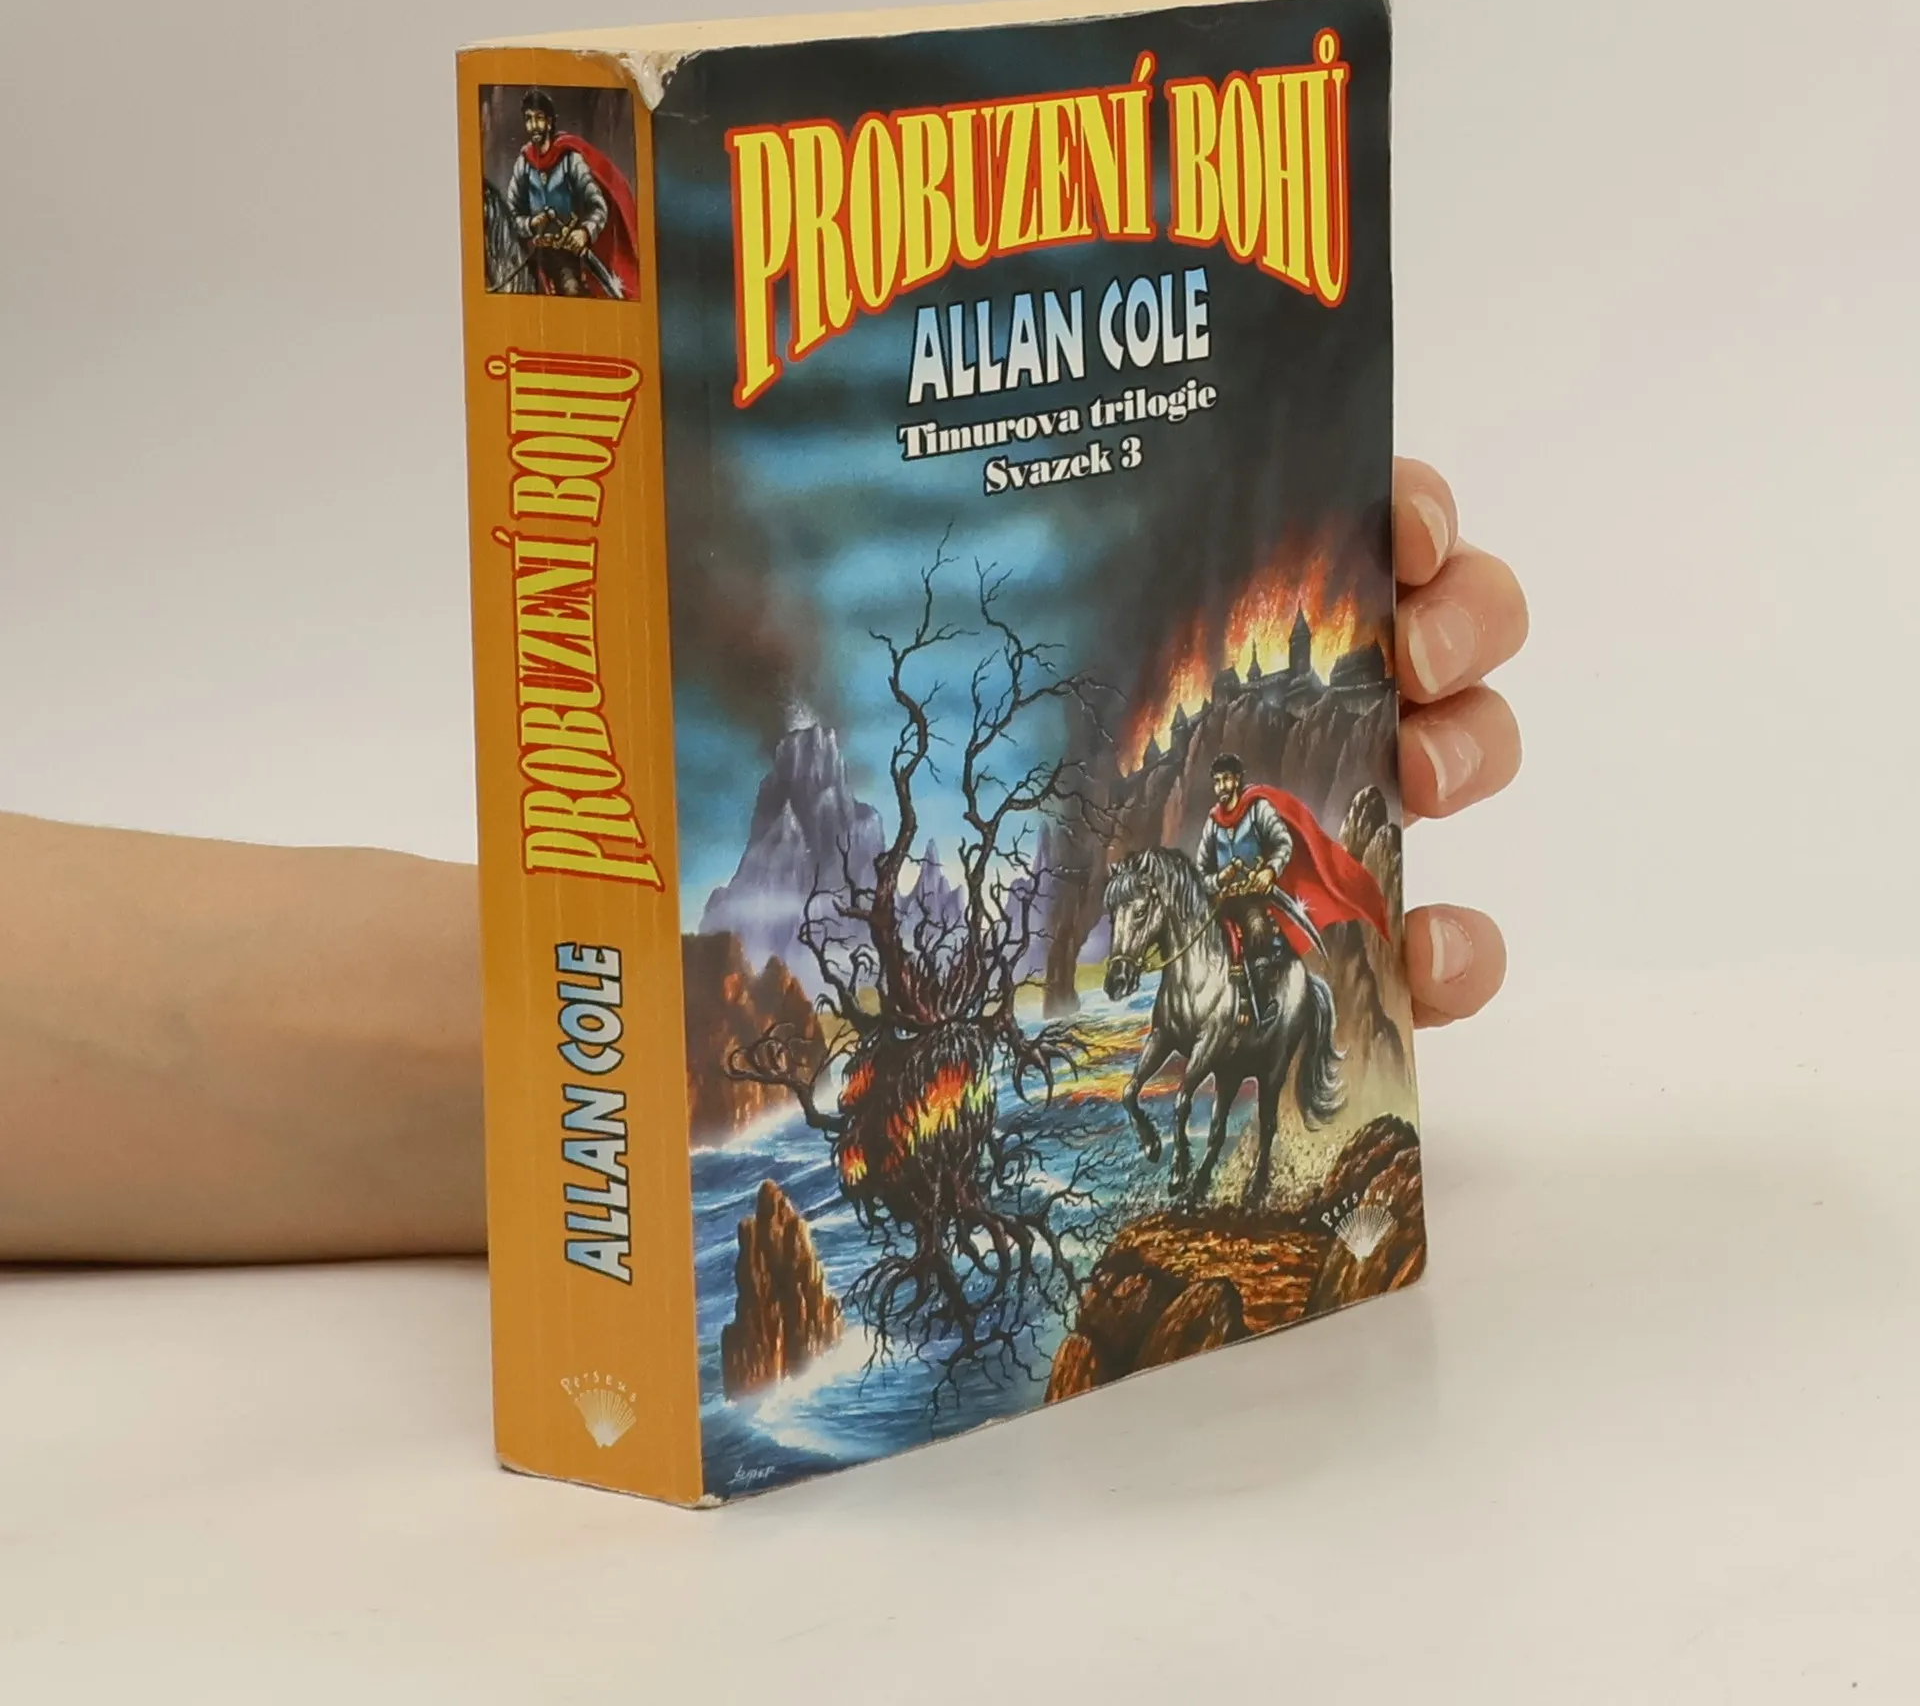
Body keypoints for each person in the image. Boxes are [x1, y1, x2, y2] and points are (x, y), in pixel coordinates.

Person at [0, 458, 1523, 1264]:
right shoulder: (1208, 829)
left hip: (1237, 917)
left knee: (1278, 955)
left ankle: (1294, 1046)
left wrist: (588, 1078)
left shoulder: (1255, 823)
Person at [1195, 753, 1389, 1027]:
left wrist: (1269, 871)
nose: (1221, 787)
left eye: (1226, 779)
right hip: (1223, 901)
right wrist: (1218, 879)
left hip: (1255, 898)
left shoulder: (1257, 810)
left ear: (1237, 780)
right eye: (1217, 781)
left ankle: (1264, 1005)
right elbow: (1202, 870)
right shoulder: (1213, 823)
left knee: (1257, 929)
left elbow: (1282, 843)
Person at [503, 89, 642, 299]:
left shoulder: (570, 159)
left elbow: (597, 206)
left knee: (571, 292)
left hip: (565, 255)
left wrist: (584, 232)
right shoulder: (523, 163)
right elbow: (512, 214)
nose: (534, 126)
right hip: (531, 253)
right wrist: (530, 224)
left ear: (549, 122)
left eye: (539, 118)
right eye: (528, 119)